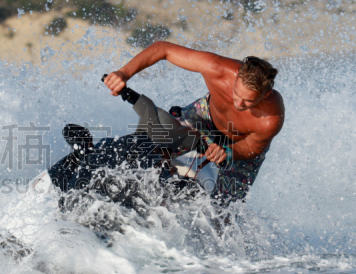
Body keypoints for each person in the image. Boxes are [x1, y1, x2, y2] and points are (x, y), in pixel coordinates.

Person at [103, 41, 285, 203]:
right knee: (160, 137)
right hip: (205, 116)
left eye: (248, 101)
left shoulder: (271, 119)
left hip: (239, 146)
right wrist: (124, 73)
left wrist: (228, 152)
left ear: (265, 94)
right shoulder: (217, 68)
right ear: (236, 77)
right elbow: (163, 49)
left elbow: (251, 148)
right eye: (236, 94)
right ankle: (142, 185)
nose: (238, 104)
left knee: (225, 208)